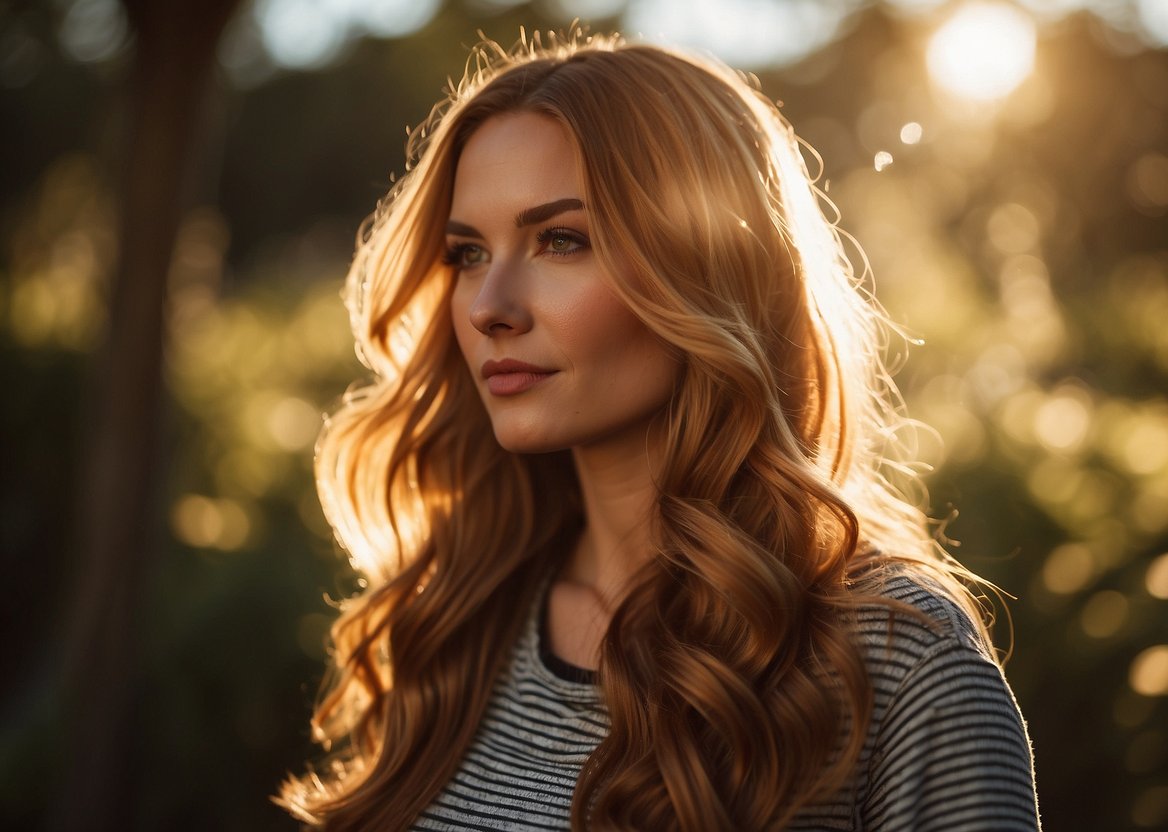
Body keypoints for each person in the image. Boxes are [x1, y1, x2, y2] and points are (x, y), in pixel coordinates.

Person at [278, 30, 1040, 831]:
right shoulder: (457, 622)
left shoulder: (899, 659)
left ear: (709, 266)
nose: (487, 306)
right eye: (467, 253)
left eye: (560, 240)